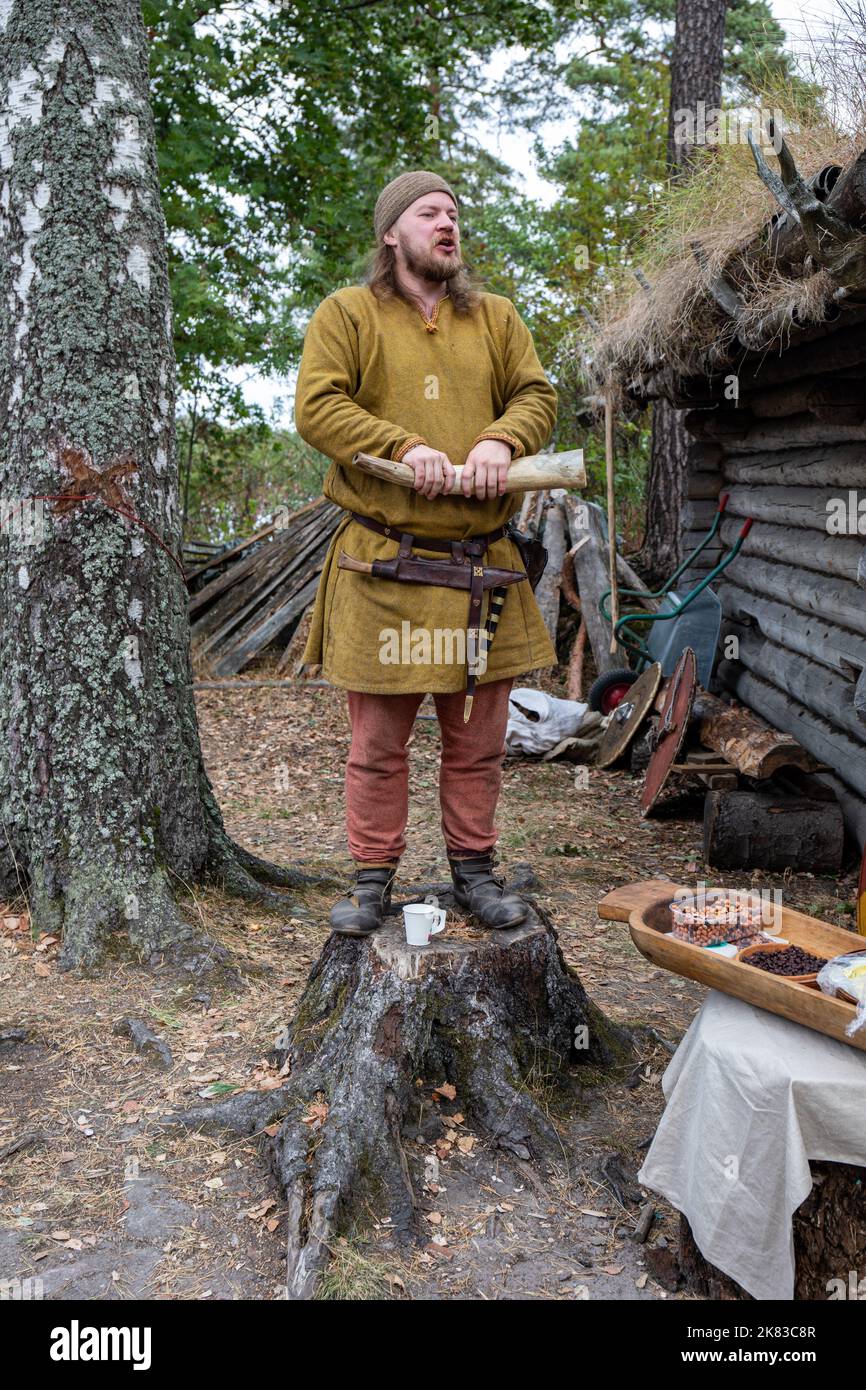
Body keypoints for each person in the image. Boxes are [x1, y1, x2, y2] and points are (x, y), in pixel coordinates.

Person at [294, 170, 557, 936]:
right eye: (427, 212)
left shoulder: (498, 319)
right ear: (391, 233)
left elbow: (536, 396)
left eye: (453, 212)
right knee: (378, 745)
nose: (447, 223)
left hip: (485, 566)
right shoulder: (348, 314)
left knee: (476, 744)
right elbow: (318, 405)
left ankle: (474, 873)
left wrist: (495, 439)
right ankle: (372, 878)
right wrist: (404, 446)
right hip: (386, 563)